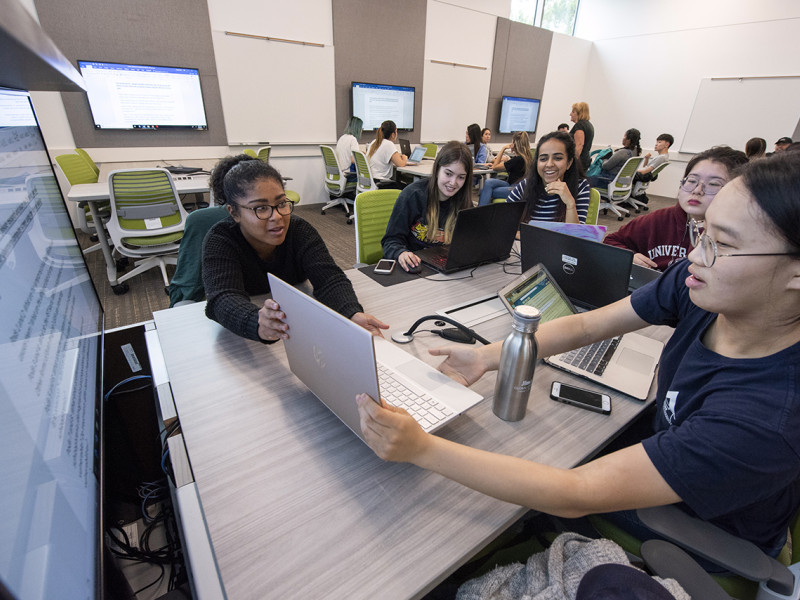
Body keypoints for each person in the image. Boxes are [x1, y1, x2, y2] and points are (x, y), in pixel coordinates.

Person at [357, 151, 800, 560]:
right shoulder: (702, 282)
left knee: (481, 506)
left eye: (722, 244)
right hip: (667, 456)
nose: (695, 255)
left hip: (700, 531)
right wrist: (489, 356)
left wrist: (421, 447)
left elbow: (577, 490)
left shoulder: (766, 417)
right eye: (701, 233)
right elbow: (590, 324)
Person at [202, 154, 388, 342]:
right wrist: (257, 322)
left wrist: (351, 314)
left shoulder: (299, 230)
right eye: (261, 208)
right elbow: (222, 298)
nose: (277, 216)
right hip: (242, 337)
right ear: (234, 212)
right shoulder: (221, 239)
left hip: (296, 327)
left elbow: (329, 278)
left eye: (281, 203)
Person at [604, 146, 747, 271]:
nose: (697, 190)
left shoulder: (738, 238)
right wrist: (631, 256)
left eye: (713, 184)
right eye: (691, 181)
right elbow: (612, 241)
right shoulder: (660, 219)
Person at [381, 141, 474, 272]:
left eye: (461, 177)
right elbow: (390, 240)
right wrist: (401, 253)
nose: (453, 183)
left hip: (445, 268)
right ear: (437, 170)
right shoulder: (413, 195)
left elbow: (468, 241)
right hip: (414, 267)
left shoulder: (464, 202)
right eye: (448, 173)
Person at [506, 131, 590, 223]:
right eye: (543, 159)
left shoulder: (580, 186)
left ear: (569, 163)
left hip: (560, 238)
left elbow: (575, 235)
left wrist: (570, 204)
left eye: (558, 158)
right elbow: (502, 223)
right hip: (527, 238)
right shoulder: (525, 186)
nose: (549, 164)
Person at [477, 131, 533, 206]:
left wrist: (503, 148)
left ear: (515, 144)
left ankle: (480, 213)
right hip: (512, 185)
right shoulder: (527, 158)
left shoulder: (517, 159)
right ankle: (482, 211)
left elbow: (495, 167)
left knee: (484, 191)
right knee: (488, 182)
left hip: (515, 189)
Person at [569, 102, 594, 170]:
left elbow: (579, 145)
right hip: (584, 160)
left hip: (579, 162)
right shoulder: (588, 125)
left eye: (573, 112)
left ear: (579, 113)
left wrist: (572, 162)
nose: (570, 114)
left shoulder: (580, 125)